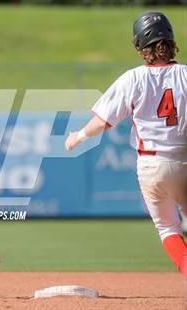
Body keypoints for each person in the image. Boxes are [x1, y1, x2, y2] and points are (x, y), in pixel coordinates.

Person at [65, 12, 186, 278]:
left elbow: (102, 122)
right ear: (171, 40)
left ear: (140, 45)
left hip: (151, 164)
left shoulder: (133, 78)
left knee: (168, 228)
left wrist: (78, 137)